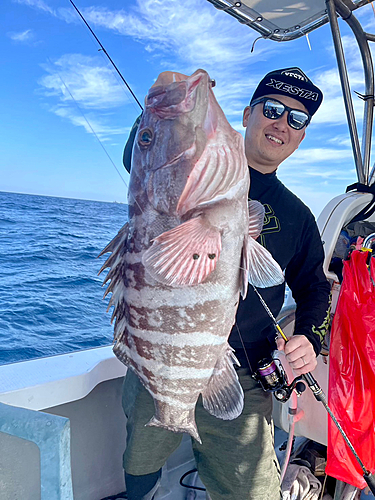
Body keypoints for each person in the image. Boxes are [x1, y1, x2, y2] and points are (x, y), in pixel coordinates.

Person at [121, 67, 331, 500]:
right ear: (247, 114)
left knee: (251, 491)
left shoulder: (298, 216)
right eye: (272, 109)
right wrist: (165, 101)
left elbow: (314, 287)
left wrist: (309, 337)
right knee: (139, 458)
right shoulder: (183, 169)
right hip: (159, 360)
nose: (282, 123)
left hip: (244, 375)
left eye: (297, 118)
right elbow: (148, 147)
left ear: (302, 136)